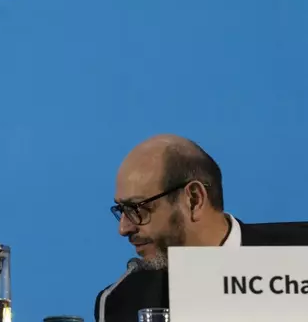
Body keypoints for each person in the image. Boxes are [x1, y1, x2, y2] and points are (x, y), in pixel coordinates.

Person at [94, 134, 308, 322]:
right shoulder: (121, 301)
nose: (123, 228)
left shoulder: (301, 256)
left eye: (136, 208)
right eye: (121, 209)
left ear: (194, 200)